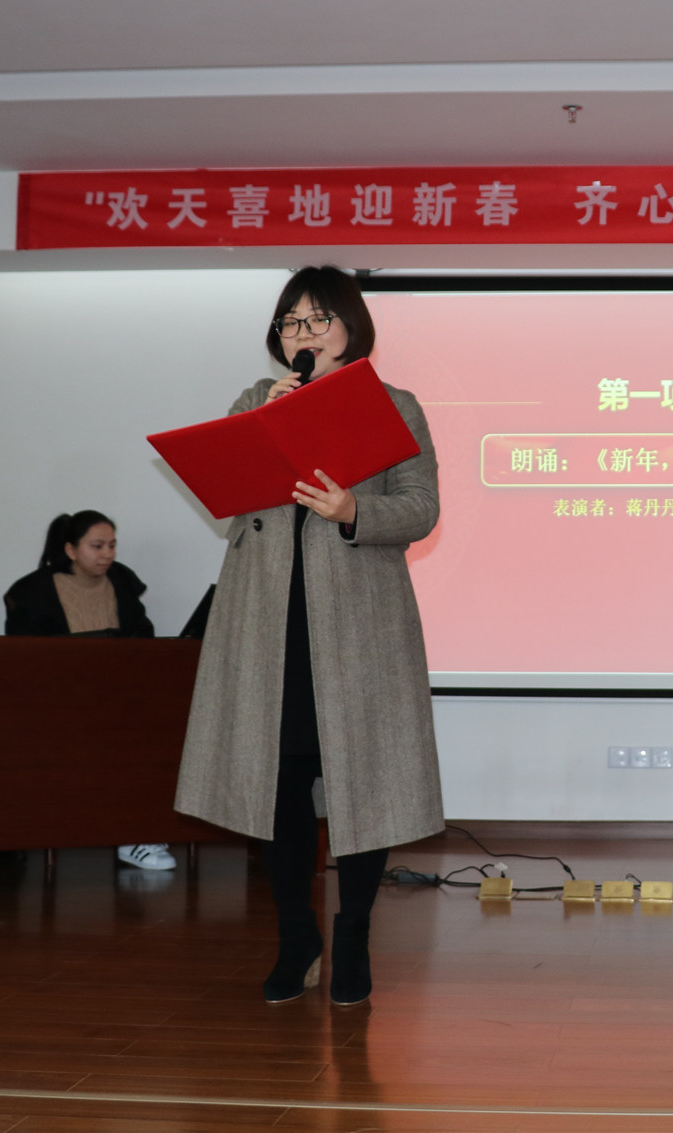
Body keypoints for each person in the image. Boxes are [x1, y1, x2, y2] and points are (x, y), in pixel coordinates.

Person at [174, 265, 444, 1006]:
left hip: (358, 625)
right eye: (292, 320)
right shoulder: (253, 401)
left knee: (364, 781)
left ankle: (352, 933)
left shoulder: (395, 405)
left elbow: (421, 507)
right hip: (267, 623)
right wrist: (261, 428)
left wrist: (355, 509)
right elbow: (226, 491)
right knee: (278, 783)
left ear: (351, 326)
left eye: (319, 318)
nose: (305, 332)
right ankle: (298, 937)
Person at [4, 511, 174, 871]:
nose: (107, 554)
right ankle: (132, 834)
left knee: (160, 728)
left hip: (120, 698)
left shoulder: (122, 583)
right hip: (58, 704)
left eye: (112, 545)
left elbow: (144, 640)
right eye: (97, 546)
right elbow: (23, 660)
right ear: (70, 549)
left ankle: (142, 832)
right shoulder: (32, 592)